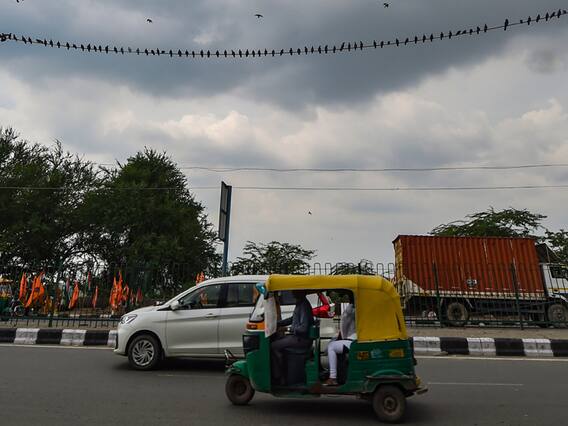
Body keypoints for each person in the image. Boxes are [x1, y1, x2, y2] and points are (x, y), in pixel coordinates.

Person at [271, 290, 314, 385]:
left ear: (300, 292)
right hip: (298, 337)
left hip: (301, 339)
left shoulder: (303, 306)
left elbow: (303, 328)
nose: (292, 293)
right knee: (279, 340)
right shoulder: (300, 303)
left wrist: (288, 329)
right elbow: (292, 319)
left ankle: (280, 375)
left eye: (294, 291)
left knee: (273, 346)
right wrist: (277, 323)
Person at [324, 294, 356, 386]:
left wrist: (340, 336)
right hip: (351, 338)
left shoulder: (352, 309)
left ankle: (333, 377)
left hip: (353, 340)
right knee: (331, 344)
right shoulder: (354, 308)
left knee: (331, 347)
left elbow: (345, 325)